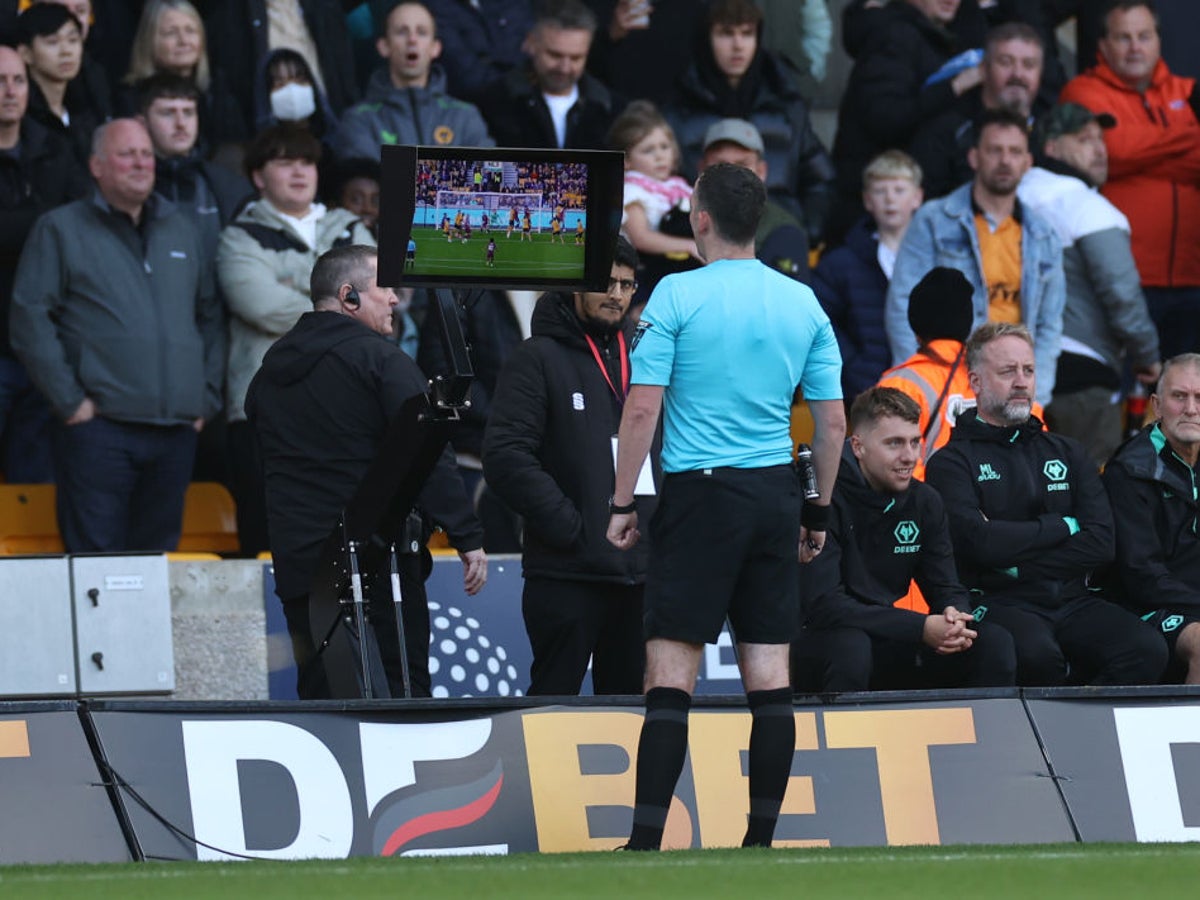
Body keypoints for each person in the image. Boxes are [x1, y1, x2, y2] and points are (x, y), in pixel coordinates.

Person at [606, 163, 845, 851]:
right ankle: (759, 843)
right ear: (761, 221)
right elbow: (831, 426)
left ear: (699, 220)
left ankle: (646, 843)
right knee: (769, 676)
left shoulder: (674, 295)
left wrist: (623, 500)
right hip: (774, 493)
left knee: (669, 674)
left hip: (699, 496)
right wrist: (817, 512)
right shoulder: (803, 302)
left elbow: (642, 407)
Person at [247, 244, 487, 699]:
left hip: (301, 569)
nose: (396, 298)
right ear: (348, 296)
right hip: (377, 565)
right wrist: (467, 536)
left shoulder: (267, 371)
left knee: (325, 702)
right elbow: (430, 448)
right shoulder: (381, 360)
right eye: (385, 286)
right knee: (399, 701)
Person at [9, 118, 223, 552]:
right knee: (96, 568)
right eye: (127, 154)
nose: (141, 163)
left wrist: (205, 398)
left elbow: (210, 316)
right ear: (96, 166)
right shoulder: (60, 228)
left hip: (175, 430)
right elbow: (28, 317)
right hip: (99, 431)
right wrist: (70, 403)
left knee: (156, 564)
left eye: (146, 154)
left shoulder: (181, 228)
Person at [924, 322, 1167, 686]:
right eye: (1007, 371)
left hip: (1071, 599)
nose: (1021, 381)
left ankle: (1085, 733)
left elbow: (1102, 542)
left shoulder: (1068, 451)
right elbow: (980, 543)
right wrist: (1061, 527)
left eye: (1028, 370)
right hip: (999, 601)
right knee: (1037, 656)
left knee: (1147, 650)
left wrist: (1017, 565)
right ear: (975, 382)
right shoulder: (950, 461)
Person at [484, 236, 657, 695]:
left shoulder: (644, 359)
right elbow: (505, 457)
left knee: (627, 716)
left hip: (639, 573)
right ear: (574, 285)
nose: (617, 294)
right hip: (567, 573)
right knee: (552, 708)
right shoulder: (536, 357)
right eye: (606, 283)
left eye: (626, 284)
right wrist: (572, 526)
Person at [792, 387, 1016, 693]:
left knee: (992, 643)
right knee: (852, 648)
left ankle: (988, 739)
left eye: (915, 442)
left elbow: (946, 586)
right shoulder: (821, 499)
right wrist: (921, 628)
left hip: (889, 635)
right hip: (818, 639)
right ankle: (847, 740)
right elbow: (826, 606)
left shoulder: (925, 501)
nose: (909, 456)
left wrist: (953, 613)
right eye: (894, 443)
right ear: (858, 446)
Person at [217, 124, 375, 555]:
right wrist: (343, 306)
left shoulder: (350, 229)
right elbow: (259, 303)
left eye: (306, 162)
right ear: (257, 176)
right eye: (285, 163)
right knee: (272, 534)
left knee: (344, 538)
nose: (299, 172)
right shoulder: (239, 235)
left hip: (348, 406)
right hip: (266, 408)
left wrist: (299, 292)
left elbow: (381, 295)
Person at [885, 108, 1065, 407]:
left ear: (1028, 162)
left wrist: (1036, 395)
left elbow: (1049, 326)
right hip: (946, 382)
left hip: (1014, 388)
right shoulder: (933, 220)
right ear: (973, 157)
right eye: (995, 150)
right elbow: (903, 305)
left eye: (1015, 151)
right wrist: (920, 385)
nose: (1005, 160)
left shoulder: (1045, 236)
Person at [1017, 102, 1161, 467]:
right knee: (1091, 495)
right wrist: (1148, 356)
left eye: (1100, 139)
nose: (1099, 149)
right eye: (1084, 139)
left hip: (1011, 375)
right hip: (1084, 376)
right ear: (1050, 147)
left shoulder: (1006, 199)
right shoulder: (1086, 206)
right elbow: (1122, 293)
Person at [1060, 0, 1200, 361]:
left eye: (1144, 36)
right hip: (1124, 282)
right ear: (1103, 45)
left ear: (1158, 41)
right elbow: (1115, 150)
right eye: (1124, 38)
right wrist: (1189, 132)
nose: (1135, 47)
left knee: (1184, 402)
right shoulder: (1083, 92)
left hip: (1191, 276)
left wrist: (1144, 156)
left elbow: (1130, 154)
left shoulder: (1187, 90)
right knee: (1129, 400)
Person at [666, 0, 834, 244]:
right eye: (726, 33)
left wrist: (807, 230)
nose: (737, 45)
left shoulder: (786, 105)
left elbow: (821, 180)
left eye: (747, 33)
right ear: (707, 38)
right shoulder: (678, 113)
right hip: (705, 248)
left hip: (780, 240)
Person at [0, 43, 90, 484]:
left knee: (34, 482)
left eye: (17, 80)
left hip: (48, 344)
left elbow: (80, 229)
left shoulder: (55, 148)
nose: (9, 91)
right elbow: (59, 227)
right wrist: (44, 227)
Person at [831, 0, 978, 232]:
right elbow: (886, 117)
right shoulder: (895, 36)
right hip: (873, 215)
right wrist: (953, 87)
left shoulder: (934, 35)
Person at [1103, 354, 1200, 683]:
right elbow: (1142, 576)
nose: (1190, 408)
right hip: (1145, 607)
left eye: (1199, 398)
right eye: (1179, 396)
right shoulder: (1130, 469)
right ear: (1157, 405)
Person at [812, 150, 924, 403]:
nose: (889, 199)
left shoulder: (936, 256)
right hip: (865, 389)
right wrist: (854, 368)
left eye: (899, 190)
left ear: (917, 197)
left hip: (929, 385)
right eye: (880, 191)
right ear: (867, 200)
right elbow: (821, 321)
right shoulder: (841, 263)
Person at [336, 1, 493, 159]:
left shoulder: (464, 116)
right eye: (401, 32)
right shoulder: (359, 120)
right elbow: (368, 179)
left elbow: (490, 179)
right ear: (384, 46)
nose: (412, 40)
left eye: (422, 32)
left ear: (435, 48)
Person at [909, 22, 1044, 199]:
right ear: (983, 69)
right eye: (1006, 62)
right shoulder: (947, 131)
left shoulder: (1051, 132)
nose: (1017, 74)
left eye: (1028, 65)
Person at [137, 74, 252, 274]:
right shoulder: (127, 185)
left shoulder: (230, 187)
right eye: (167, 113)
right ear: (143, 121)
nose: (181, 123)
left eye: (188, 112)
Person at [878, 266, 977, 482]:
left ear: (915, 323)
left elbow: (893, 464)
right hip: (993, 510)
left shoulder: (901, 384)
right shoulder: (1000, 376)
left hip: (931, 509)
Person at [479, 0, 618, 150]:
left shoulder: (610, 109)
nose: (564, 68)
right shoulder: (492, 104)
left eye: (576, 58)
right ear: (531, 43)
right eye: (555, 55)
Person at [696, 118, 810, 282]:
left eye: (742, 165)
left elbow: (785, 301)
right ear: (701, 170)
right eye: (720, 165)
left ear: (761, 171)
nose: (732, 175)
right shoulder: (678, 222)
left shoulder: (783, 230)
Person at [606, 100, 698, 301]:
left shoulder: (679, 187)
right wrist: (690, 246)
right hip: (641, 274)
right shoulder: (632, 191)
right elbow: (641, 238)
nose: (659, 156)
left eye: (665, 147)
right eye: (648, 150)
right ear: (627, 160)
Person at [17, 3, 110, 166]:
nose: (66, 51)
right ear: (26, 53)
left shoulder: (86, 113)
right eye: (52, 42)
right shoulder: (20, 121)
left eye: (73, 40)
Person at [426, 0, 534, 105]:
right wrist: (509, 83)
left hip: (529, 95)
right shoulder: (437, 7)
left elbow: (535, 45)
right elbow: (462, 70)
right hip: (472, 104)